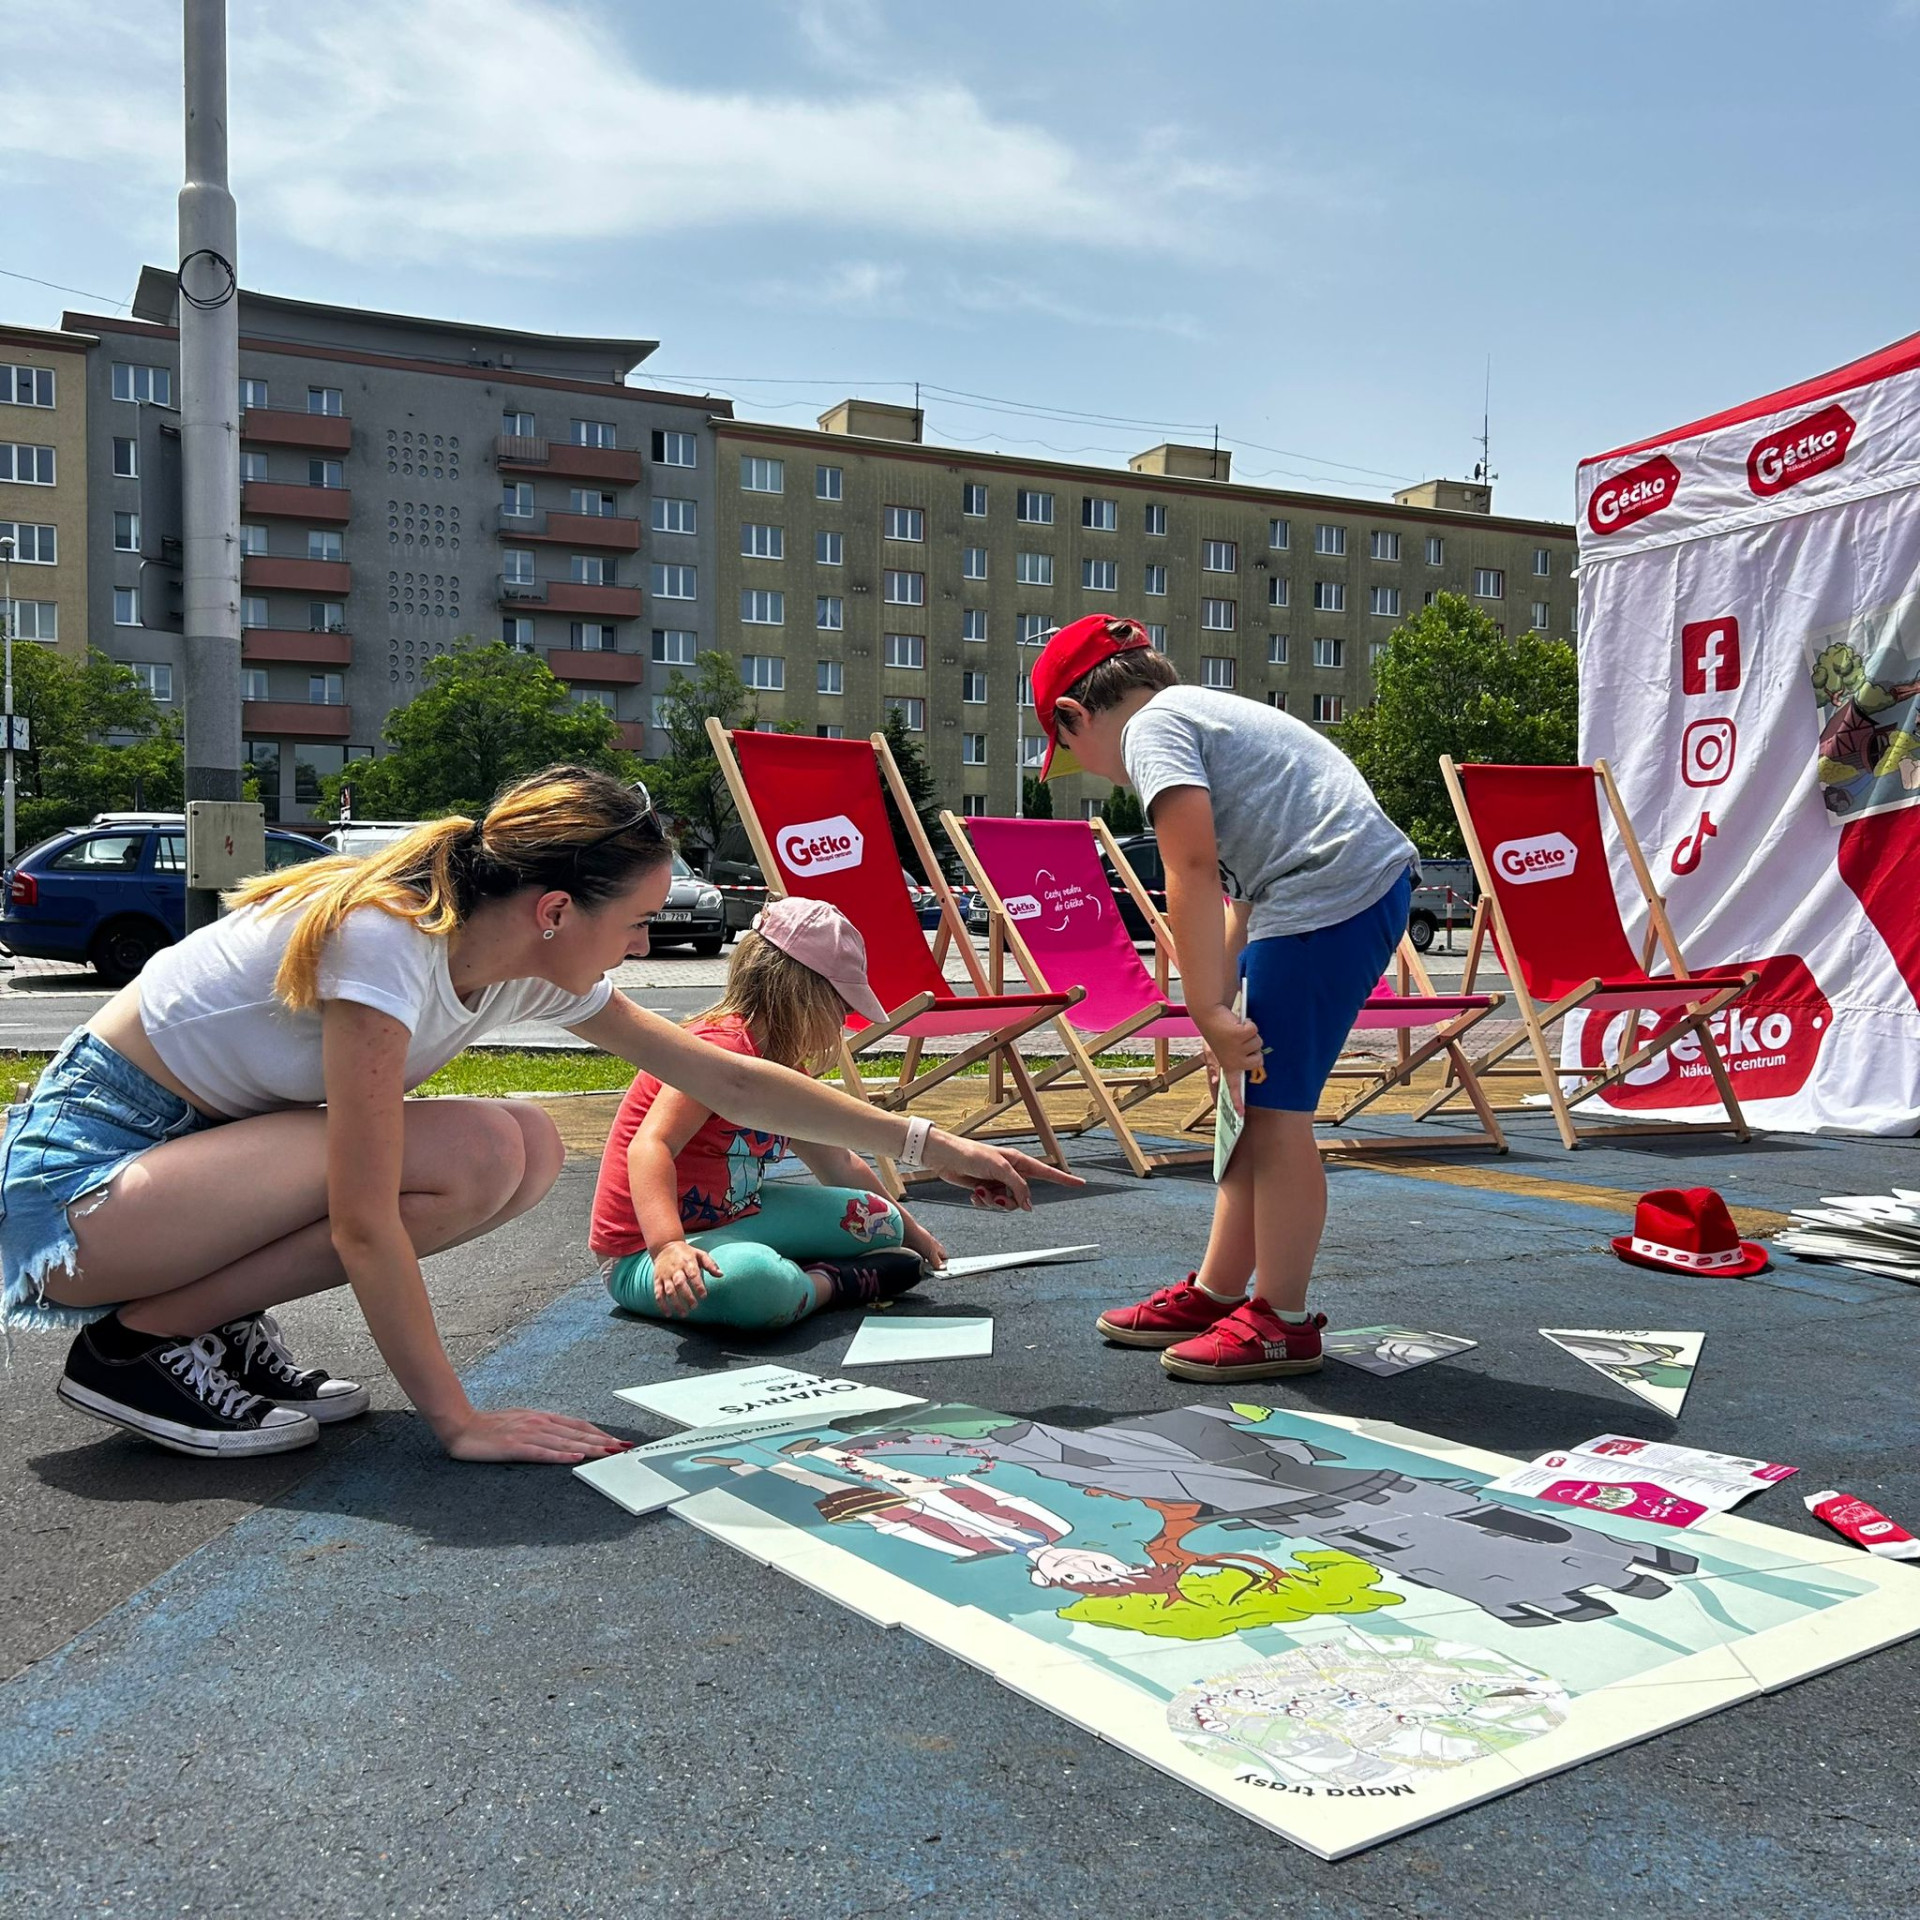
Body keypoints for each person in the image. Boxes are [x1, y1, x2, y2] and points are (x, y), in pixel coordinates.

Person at [0, 766, 1071, 1465]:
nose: (644, 945)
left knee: (519, 1145)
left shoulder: (518, 958)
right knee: (463, 1150)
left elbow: (730, 1080)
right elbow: (363, 1219)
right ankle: (135, 1346)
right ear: (555, 910)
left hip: (182, 1178)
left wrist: (931, 1143)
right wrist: (459, 1421)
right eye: (639, 920)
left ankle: (191, 1323)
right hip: (75, 1196)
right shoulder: (388, 942)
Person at [1032, 613, 1416, 1382]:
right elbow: (1238, 892)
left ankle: (1283, 1320)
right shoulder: (1200, 714)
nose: (1101, 777)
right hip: (1324, 891)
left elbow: (1192, 868)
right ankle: (1219, 1291)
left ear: (1075, 715)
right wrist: (1227, 1000)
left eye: (1071, 754)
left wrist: (1207, 1009)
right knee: (1254, 1102)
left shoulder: (1151, 729)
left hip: (1324, 894)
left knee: (1275, 1115)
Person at [591, 896, 949, 1331]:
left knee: (879, 1217)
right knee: (753, 1282)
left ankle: (789, 1271)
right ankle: (830, 1283)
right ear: (803, 994)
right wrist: (667, 1246)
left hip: (738, 1215)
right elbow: (651, 1145)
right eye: (841, 1006)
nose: (844, 1020)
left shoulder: (782, 1065)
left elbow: (837, 1162)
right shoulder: (715, 1049)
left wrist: (915, 1234)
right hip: (645, 1253)